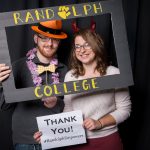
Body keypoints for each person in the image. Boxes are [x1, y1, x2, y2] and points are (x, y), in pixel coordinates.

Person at [34, 27, 131, 150]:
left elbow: (125, 109)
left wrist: (99, 123)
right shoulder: (71, 75)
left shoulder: (114, 73)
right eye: (78, 46)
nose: (82, 50)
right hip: (76, 141)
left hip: (107, 141)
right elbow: (68, 110)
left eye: (87, 45)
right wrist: (49, 134)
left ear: (97, 46)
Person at [0, 20, 68, 150]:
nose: (50, 44)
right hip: (25, 142)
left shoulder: (65, 70)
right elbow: (4, 106)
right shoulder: (18, 67)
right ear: (36, 38)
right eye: (45, 38)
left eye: (55, 40)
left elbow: (71, 106)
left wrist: (57, 103)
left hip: (56, 139)